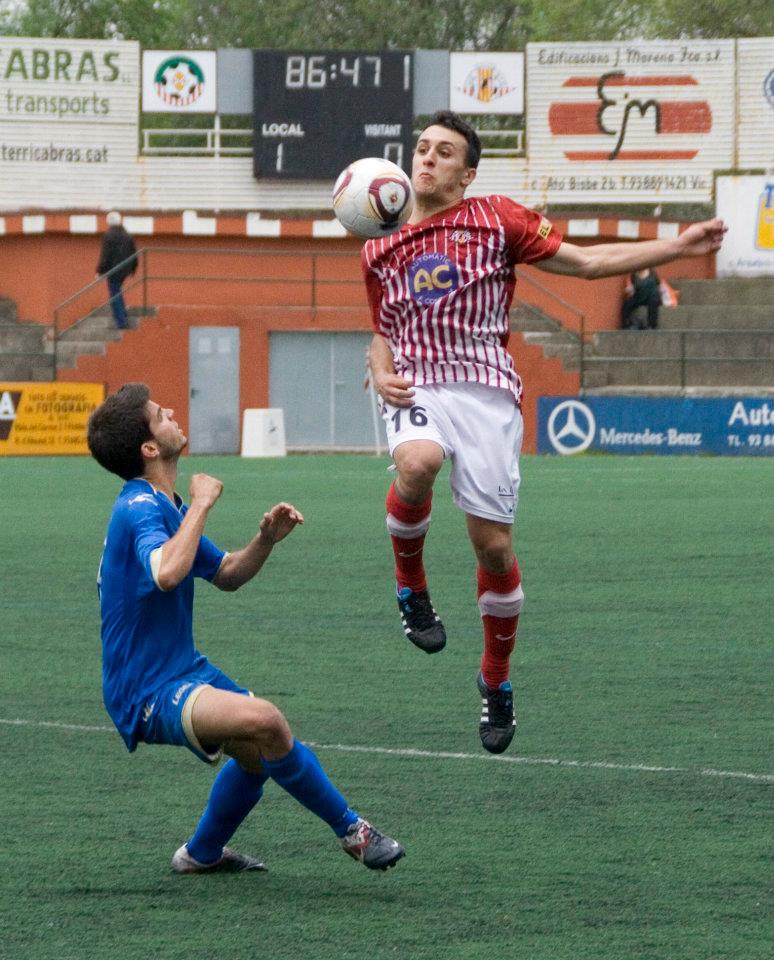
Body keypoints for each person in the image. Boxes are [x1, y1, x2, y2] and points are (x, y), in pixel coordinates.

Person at [362, 110, 726, 755]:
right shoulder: (377, 242)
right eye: (421, 148)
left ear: (467, 173)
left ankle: (495, 680)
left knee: (494, 550)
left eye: (444, 153)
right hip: (419, 385)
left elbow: (587, 262)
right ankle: (410, 587)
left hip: (487, 394)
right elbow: (383, 330)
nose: (428, 159)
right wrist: (382, 369)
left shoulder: (496, 217)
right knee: (416, 463)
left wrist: (679, 245)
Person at [87, 383, 404, 874]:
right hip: (144, 689)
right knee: (267, 722)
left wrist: (264, 540)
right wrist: (202, 503)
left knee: (257, 754)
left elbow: (227, 573)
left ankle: (201, 854)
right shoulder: (141, 508)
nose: (171, 411)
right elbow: (168, 572)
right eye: (158, 414)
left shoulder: (163, 503)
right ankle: (354, 833)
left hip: (178, 669)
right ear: (150, 448)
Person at [96, 211, 137, 330]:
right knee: (117, 291)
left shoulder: (108, 236)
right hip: (125, 269)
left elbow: (105, 255)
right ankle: (123, 314)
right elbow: (134, 253)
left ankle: (121, 321)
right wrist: (133, 268)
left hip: (113, 270)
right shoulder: (127, 236)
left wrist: (100, 270)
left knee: (114, 293)